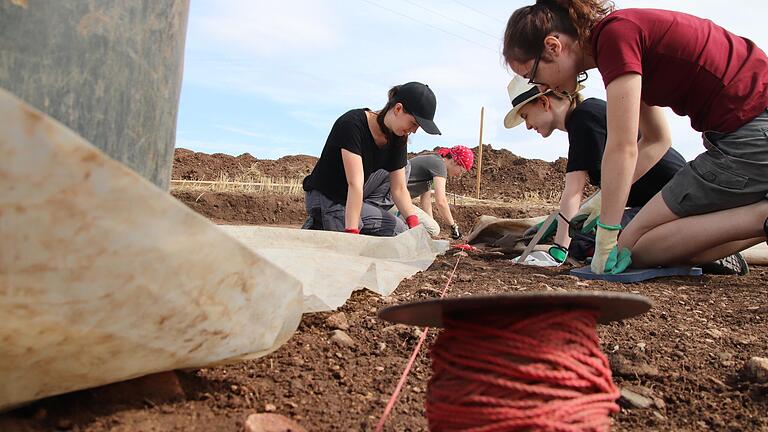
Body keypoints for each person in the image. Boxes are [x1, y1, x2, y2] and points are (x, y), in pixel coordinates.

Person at [503, 1, 768, 274]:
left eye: (532, 76)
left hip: (750, 133)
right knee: (647, 245)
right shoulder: (621, 38)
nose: (542, 87)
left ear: (553, 46)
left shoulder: (615, 37)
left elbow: (623, 147)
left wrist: (606, 236)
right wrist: (601, 202)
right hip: (749, 131)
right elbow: (656, 139)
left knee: (633, 247)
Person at [504, 75, 687, 265]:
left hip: (677, 202)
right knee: (583, 236)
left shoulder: (583, 118)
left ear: (543, 102)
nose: (527, 126)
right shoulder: (585, 116)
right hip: (665, 201)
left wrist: (558, 249)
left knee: (588, 239)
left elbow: (574, 190)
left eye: (526, 116)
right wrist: (560, 221)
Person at [302, 82, 441, 236]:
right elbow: (354, 183)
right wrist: (352, 232)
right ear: (398, 109)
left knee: (398, 230)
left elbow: (399, 189)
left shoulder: (398, 138)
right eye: (413, 123)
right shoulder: (352, 124)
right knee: (348, 244)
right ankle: (317, 222)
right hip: (325, 196)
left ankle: (352, 218)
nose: (414, 131)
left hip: (352, 197)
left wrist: (414, 226)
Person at [399, 145, 474, 239]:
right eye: (461, 171)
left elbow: (425, 201)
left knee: (432, 228)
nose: (459, 175)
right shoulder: (440, 165)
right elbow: (441, 201)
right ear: (454, 161)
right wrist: (453, 226)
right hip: (392, 201)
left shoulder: (435, 162)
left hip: (395, 200)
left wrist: (431, 224)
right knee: (434, 229)